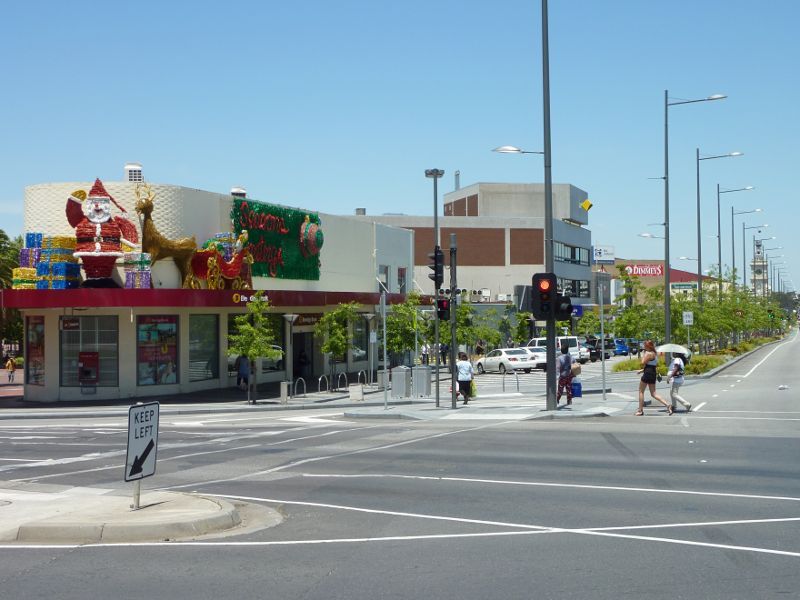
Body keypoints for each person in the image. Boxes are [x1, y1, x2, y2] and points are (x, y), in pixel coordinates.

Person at [636, 340, 672, 416]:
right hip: (652, 373)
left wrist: (644, 354)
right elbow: (651, 365)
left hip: (648, 373)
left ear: (648, 346)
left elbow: (642, 363)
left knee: (641, 391)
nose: (644, 347)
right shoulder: (655, 354)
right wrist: (642, 371)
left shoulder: (648, 353)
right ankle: (667, 405)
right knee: (653, 393)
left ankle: (640, 410)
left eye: (644, 346)